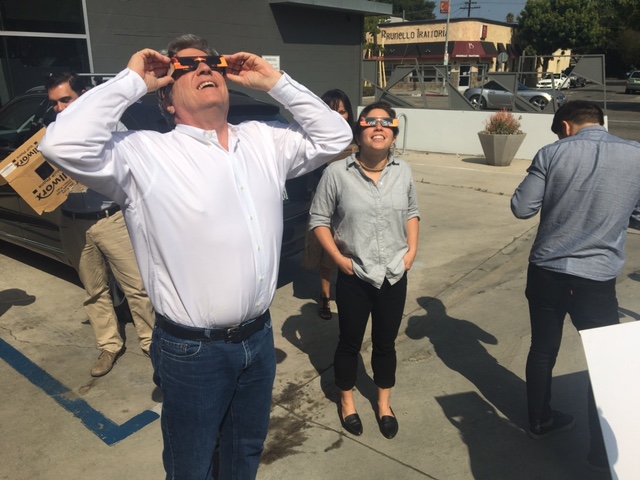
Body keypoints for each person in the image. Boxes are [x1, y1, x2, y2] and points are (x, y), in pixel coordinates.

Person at [40, 34, 353, 479]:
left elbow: (337, 135)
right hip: (192, 352)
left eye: (211, 63)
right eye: (186, 67)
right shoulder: (144, 153)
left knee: (245, 455)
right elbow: (61, 145)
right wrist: (132, 81)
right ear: (167, 100)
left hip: (258, 339)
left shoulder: (264, 140)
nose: (205, 69)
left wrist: (275, 82)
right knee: (191, 466)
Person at [511, 100, 640, 471]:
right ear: (600, 121)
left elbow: (522, 207)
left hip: (546, 272)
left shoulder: (552, 154)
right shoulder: (635, 155)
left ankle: (540, 421)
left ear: (565, 126)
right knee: (604, 361)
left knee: (542, 349)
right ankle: (602, 451)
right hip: (596, 279)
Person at [309, 101, 420, 439]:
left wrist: (412, 251)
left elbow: (412, 211)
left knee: (386, 343)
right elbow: (318, 219)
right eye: (370, 122)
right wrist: (338, 259)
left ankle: (384, 404)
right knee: (349, 343)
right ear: (359, 134)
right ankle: (347, 401)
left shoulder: (403, 171)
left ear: (393, 135)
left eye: (386, 123)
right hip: (354, 274)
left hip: (393, 274)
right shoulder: (337, 173)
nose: (379, 127)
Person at [45, 72, 155, 377]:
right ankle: (109, 345)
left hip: (111, 219)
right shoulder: (53, 135)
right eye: (54, 103)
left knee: (137, 287)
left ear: (84, 96)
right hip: (73, 222)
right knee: (93, 290)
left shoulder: (111, 127)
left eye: (66, 100)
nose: (60, 108)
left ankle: (151, 342)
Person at [301, 88, 356, 320]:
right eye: (332, 112)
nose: (338, 117)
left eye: (342, 112)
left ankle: (352, 292)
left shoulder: (357, 137)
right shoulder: (315, 138)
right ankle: (325, 295)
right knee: (328, 251)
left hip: (353, 199)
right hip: (325, 198)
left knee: (352, 246)